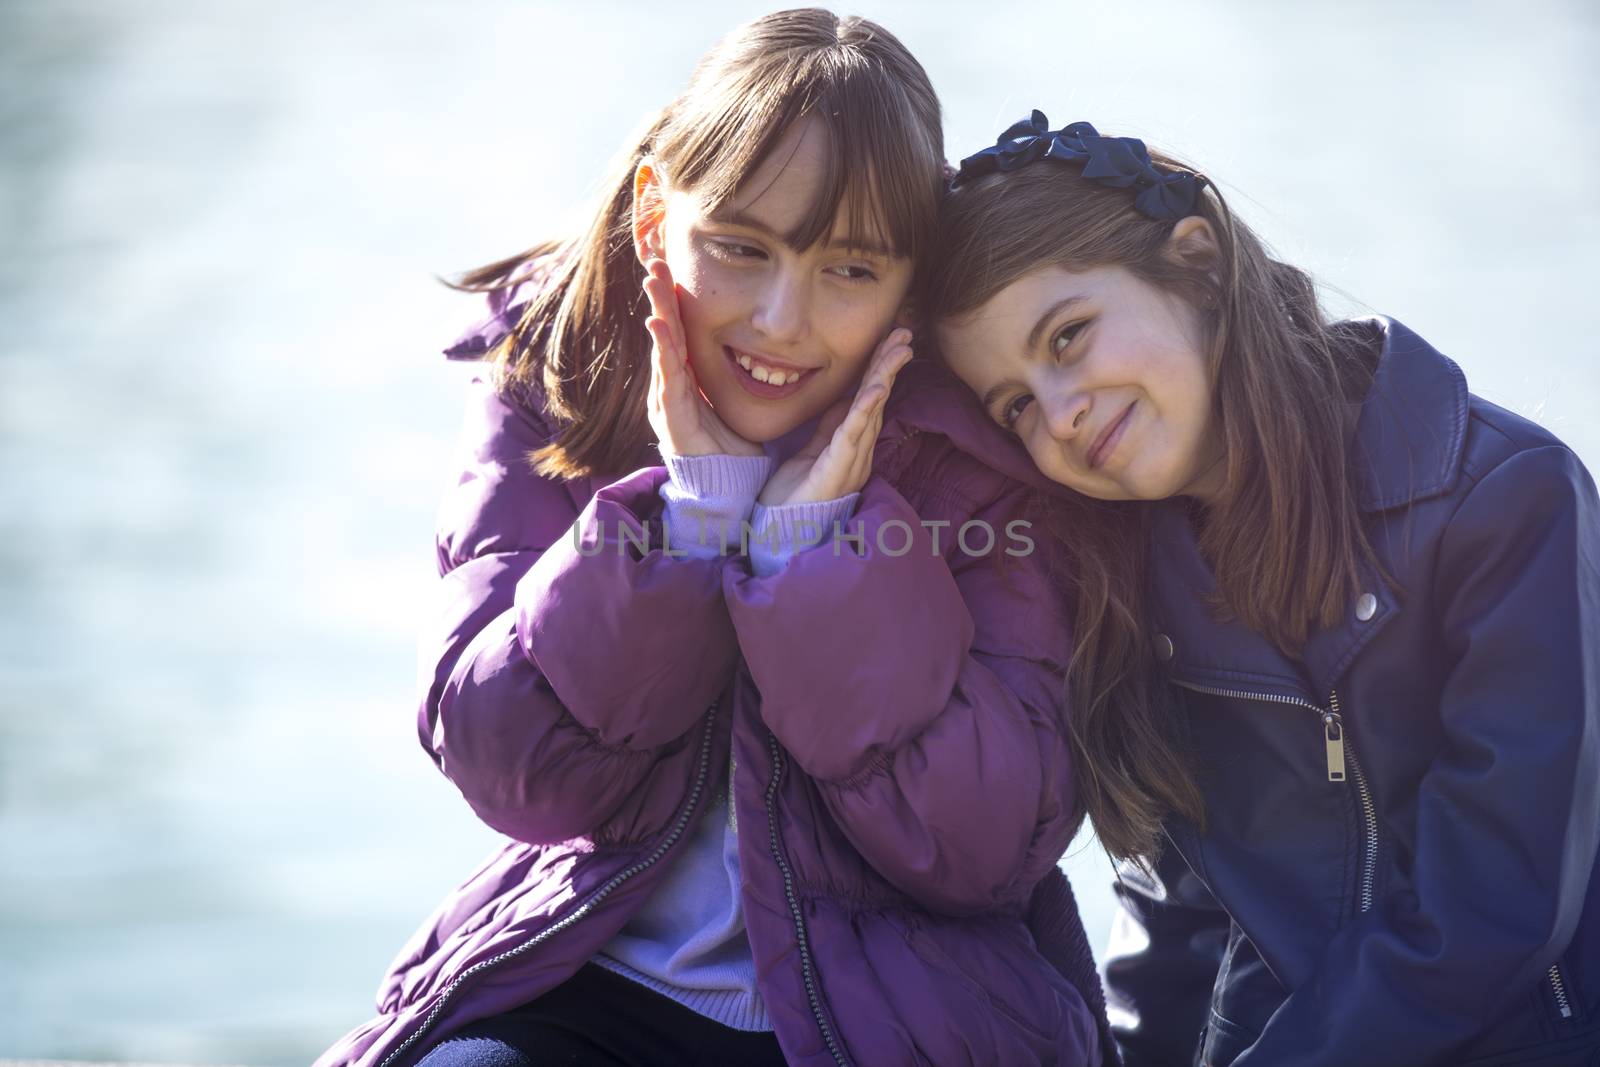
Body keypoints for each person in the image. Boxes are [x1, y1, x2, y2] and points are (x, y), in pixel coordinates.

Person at [314, 20, 1109, 1067]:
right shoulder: (559, 381)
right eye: (742, 248)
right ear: (656, 215)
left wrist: (811, 548)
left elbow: (982, 845)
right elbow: (508, 763)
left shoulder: (980, 450)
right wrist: (691, 512)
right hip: (584, 978)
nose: (784, 319)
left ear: (910, 285)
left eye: (850, 270)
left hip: (901, 1018)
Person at [925, 111, 1600, 1066]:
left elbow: (1490, 911)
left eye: (1068, 336)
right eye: (1017, 406)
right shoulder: (1133, 583)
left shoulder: (1505, 501)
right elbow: (1177, 923)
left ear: (1195, 263)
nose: (1062, 416)